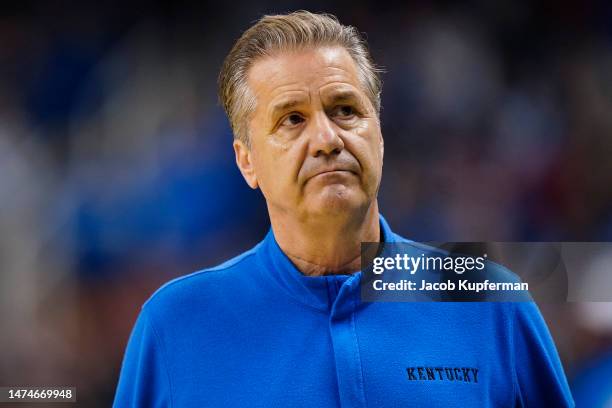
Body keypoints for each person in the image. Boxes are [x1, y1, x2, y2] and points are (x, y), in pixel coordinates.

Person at [114, 11, 574, 407]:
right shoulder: (176, 325)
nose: (327, 140)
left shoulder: (487, 299)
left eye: (345, 110)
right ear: (246, 160)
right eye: (292, 119)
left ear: (379, 133)